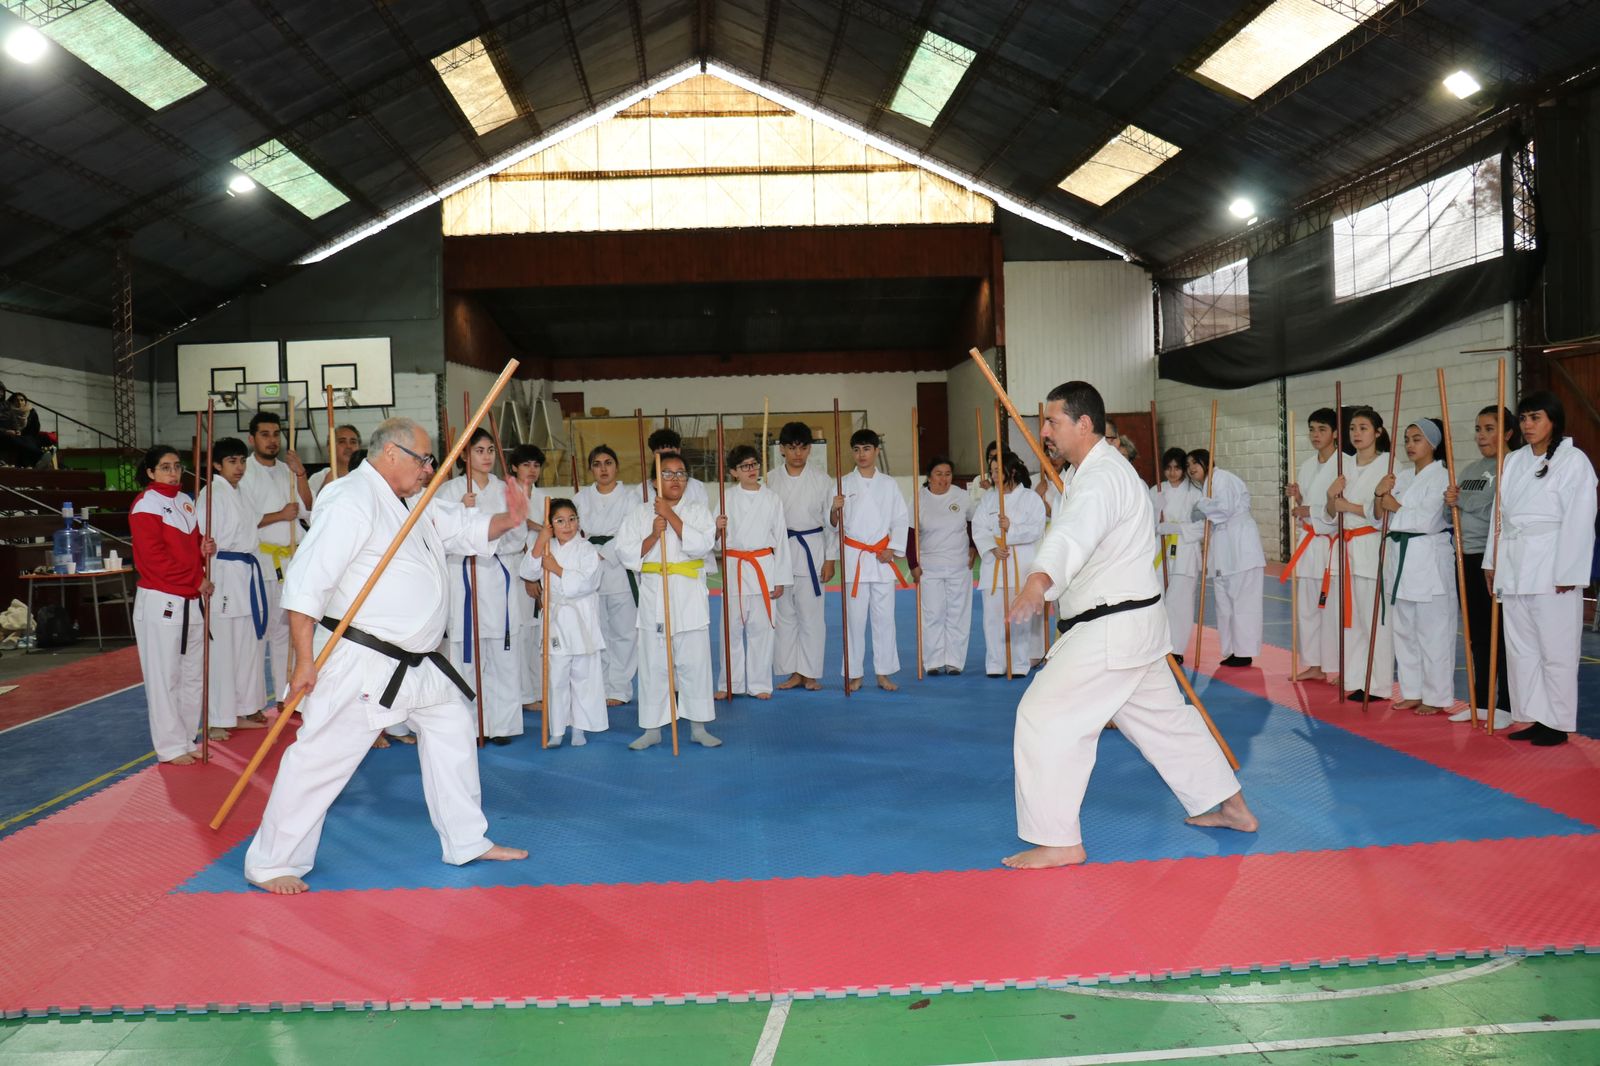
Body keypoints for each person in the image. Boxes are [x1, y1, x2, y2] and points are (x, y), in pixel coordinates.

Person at [242, 418, 528, 894]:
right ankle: (272, 862)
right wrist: (303, 660)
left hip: (416, 664)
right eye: (423, 459)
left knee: (452, 727)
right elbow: (306, 584)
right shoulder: (351, 499)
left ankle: (466, 840)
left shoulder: (414, 501)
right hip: (360, 658)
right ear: (392, 453)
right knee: (321, 759)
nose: (429, 468)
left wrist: (509, 519)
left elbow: (463, 529)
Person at [1003, 381, 1256, 869]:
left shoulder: (1100, 478)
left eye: (1052, 422)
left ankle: (1059, 839)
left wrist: (1038, 581)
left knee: (1042, 714)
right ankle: (1234, 807)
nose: (1045, 433)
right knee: (1166, 723)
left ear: (1084, 423)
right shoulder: (1096, 472)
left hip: (1109, 630)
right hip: (1134, 627)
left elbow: (1072, 536)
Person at [1484, 392, 1597, 746]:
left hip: (1552, 564)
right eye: (1524, 418)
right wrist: (1492, 560)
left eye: (1536, 418)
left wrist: (1570, 571)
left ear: (1553, 420)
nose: (1528, 425)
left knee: (1556, 647)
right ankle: (1533, 715)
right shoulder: (1514, 460)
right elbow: (1498, 516)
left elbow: (1580, 518)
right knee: (1522, 649)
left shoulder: (1573, 460)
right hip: (1515, 561)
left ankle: (1558, 722)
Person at [615, 451, 720, 749]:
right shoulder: (639, 514)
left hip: (688, 597)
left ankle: (698, 726)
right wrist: (651, 535)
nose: (675, 479)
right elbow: (625, 552)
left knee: (694, 663)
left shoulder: (698, 510)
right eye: (668, 474)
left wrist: (670, 516)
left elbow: (701, 545)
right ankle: (653, 728)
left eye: (681, 473)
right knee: (654, 665)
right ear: (654, 481)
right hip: (654, 595)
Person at [438, 429, 528, 744]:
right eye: (479, 450)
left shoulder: (507, 489)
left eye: (491, 449)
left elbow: (517, 539)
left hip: (498, 578)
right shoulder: (448, 492)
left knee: (503, 658)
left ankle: (502, 725)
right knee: (467, 659)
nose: (487, 456)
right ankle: (471, 725)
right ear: (464, 455)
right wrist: (463, 512)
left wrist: (492, 538)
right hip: (464, 580)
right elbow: (441, 540)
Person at [129, 445, 215, 765]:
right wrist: (195, 580)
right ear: (151, 472)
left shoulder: (186, 502)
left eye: (177, 466)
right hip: (163, 599)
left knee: (192, 674)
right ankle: (168, 746)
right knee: (165, 676)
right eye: (165, 467)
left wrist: (205, 546)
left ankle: (186, 737)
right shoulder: (145, 506)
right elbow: (154, 560)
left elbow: (192, 548)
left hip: (191, 601)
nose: (173, 472)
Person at [1374, 419, 1457, 715]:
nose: (1410, 445)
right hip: (1401, 558)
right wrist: (1379, 493)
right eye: (1407, 439)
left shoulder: (1443, 477)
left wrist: (1393, 505)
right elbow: (1379, 517)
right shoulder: (1403, 477)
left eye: (1417, 439)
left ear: (1432, 444)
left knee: (1433, 632)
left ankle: (1436, 696)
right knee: (1405, 629)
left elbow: (1427, 518)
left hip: (1428, 557)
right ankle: (1412, 690)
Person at [1443, 406, 1518, 727]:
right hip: (1467, 557)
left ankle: (1506, 705)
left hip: (1497, 559)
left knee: (1500, 634)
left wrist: (1463, 502)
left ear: (1507, 433)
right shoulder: (1471, 469)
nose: (1481, 436)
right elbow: (1452, 517)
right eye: (1478, 429)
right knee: (1476, 635)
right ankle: (1481, 701)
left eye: (1489, 428)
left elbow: (1496, 512)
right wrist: (1450, 502)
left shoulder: (1513, 466)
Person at [238, 411, 313, 719]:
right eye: (265, 434)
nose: (272, 440)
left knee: (288, 633)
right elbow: (242, 521)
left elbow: (309, 509)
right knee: (260, 634)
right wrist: (280, 515)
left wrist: (300, 475)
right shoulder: (245, 473)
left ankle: (288, 695)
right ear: (252, 438)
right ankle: (253, 703)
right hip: (261, 560)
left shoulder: (287, 470)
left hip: (289, 560)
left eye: (276, 434)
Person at [519, 497, 606, 747]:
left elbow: (587, 582)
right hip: (555, 620)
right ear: (550, 526)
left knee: (582, 675)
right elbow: (528, 572)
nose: (567, 525)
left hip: (581, 618)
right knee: (556, 676)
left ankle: (579, 728)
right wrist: (541, 542)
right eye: (559, 521)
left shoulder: (587, 550)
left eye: (572, 519)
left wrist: (557, 569)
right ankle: (557, 729)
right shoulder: (547, 547)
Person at [197, 436, 268, 738]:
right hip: (223, 575)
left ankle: (241, 708)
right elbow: (202, 537)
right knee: (223, 649)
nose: (239, 467)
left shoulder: (241, 493)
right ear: (216, 465)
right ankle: (217, 718)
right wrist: (204, 556)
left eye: (241, 461)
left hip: (245, 573)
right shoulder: (210, 494)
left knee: (246, 646)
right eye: (231, 461)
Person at [831, 428, 910, 692]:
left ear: (877, 451)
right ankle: (854, 673)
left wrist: (895, 547)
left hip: (881, 557)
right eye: (856, 449)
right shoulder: (842, 483)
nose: (861, 454)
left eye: (866, 449)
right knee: (854, 620)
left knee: (885, 618)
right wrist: (834, 509)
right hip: (855, 558)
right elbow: (832, 525)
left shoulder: (888, 484)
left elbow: (900, 519)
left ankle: (884, 672)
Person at [1326, 407, 1394, 702]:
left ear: (1378, 432)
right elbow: (1330, 514)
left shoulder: (1389, 466)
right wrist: (1332, 496)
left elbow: (1383, 510)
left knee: (1373, 618)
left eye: (1364, 428)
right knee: (1349, 619)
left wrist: (1348, 507)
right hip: (1346, 547)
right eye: (1353, 428)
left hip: (1371, 546)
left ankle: (1377, 684)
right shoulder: (1345, 466)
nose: (1357, 433)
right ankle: (1354, 678)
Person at [766, 422, 838, 691]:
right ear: (782, 449)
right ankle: (793, 671)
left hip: (812, 549)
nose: (797, 453)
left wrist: (830, 559)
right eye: (791, 447)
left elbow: (831, 524)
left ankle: (810, 673)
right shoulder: (771, 479)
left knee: (811, 616)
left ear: (810, 449)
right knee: (785, 616)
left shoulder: (822, 480)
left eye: (803, 447)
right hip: (782, 551)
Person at [716, 444, 790, 700]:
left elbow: (780, 539)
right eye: (745, 466)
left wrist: (780, 578)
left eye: (754, 464)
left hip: (762, 567)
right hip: (735, 566)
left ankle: (759, 684)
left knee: (761, 629)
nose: (751, 469)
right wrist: (718, 529)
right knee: (731, 630)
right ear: (734, 472)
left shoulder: (771, 498)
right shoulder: (726, 498)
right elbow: (714, 541)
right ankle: (730, 683)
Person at [1187, 449, 1265, 668]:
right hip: (1224, 549)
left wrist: (1201, 506)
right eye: (1188, 465)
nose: (1191, 468)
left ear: (1207, 462)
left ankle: (1244, 652)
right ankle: (1232, 649)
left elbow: (1224, 510)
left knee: (1243, 602)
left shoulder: (1222, 479)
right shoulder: (1207, 486)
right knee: (1225, 603)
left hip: (1241, 549)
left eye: (1196, 463)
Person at [972, 449, 1046, 677]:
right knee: (992, 617)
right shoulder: (988, 499)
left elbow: (1036, 529)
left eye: (997, 471)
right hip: (995, 563)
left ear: (1011, 471)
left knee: (1019, 617)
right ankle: (995, 663)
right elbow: (978, 528)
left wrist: (1011, 529)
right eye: (992, 471)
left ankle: (1019, 664)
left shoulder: (1030, 498)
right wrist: (992, 548)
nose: (993, 476)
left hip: (1021, 564)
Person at [1283, 409, 1344, 684]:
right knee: (1307, 607)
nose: (1315, 435)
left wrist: (1311, 509)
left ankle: (1338, 665)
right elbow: (1304, 510)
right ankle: (1314, 664)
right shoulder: (1307, 465)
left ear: (1334, 433)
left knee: (1331, 609)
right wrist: (1298, 499)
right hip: (1308, 544)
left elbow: (1340, 509)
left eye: (1321, 429)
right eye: (1311, 429)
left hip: (1330, 544)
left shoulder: (1345, 465)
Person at [576, 445, 639, 706]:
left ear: (616, 466)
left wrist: (604, 553)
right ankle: (599, 686)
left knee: (624, 632)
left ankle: (620, 688)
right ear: (590, 468)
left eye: (608, 463)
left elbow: (632, 531)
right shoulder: (581, 498)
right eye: (597, 463)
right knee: (596, 631)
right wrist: (590, 554)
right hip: (588, 570)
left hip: (619, 569)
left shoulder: (631, 497)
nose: (603, 468)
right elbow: (574, 532)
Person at [912, 455, 975, 675]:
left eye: (948, 474)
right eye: (939, 474)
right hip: (929, 565)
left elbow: (972, 523)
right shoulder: (919, 498)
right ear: (929, 477)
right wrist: (912, 563)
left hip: (959, 564)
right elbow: (911, 533)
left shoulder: (962, 496)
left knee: (958, 612)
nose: (944, 478)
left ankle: (954, 661)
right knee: (933, 614)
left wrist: (973, 548)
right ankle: (933, 661)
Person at [1152, 447, 1203, 664]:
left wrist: (1176, 528)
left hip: (1185, 552)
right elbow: (1143, 522)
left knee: (1179, 603)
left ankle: (1176, 648)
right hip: (1159, 552)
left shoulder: (1195, 494)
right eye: (1168, 468)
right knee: (1157, 601)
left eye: (1177, 468)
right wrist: (1157, 520)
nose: (1172, 473)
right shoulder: (1156, 491)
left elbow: (1203, 526)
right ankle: (1158, 646)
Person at [508, 444, 548, 714]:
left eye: (536, 465)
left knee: (537, 631)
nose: (531, 470)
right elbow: (516, 532)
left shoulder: (545, 496)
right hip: (517, 569)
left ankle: (537, 689)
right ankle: (523, 694)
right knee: (521, 631)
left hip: (543, 565)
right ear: (514, 467)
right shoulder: (507, 494)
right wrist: (529, 576)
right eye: (525, 465)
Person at [308, 423, 361, 505]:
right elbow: (310, 512)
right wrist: (325, 486)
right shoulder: (318, 479)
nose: (348, 446)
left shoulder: (367, 476)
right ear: (330, 447)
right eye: (342, 442)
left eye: (353, 442)